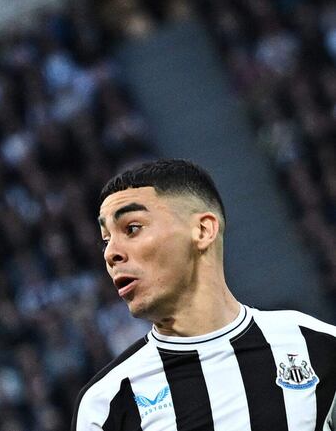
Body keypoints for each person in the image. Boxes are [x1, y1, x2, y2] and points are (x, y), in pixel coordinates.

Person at [72, 158, 336, 430]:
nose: (110, 253)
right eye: (106, 240)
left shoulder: (322, 348)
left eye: (132, 228)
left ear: (202, 230)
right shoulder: (105, 405)